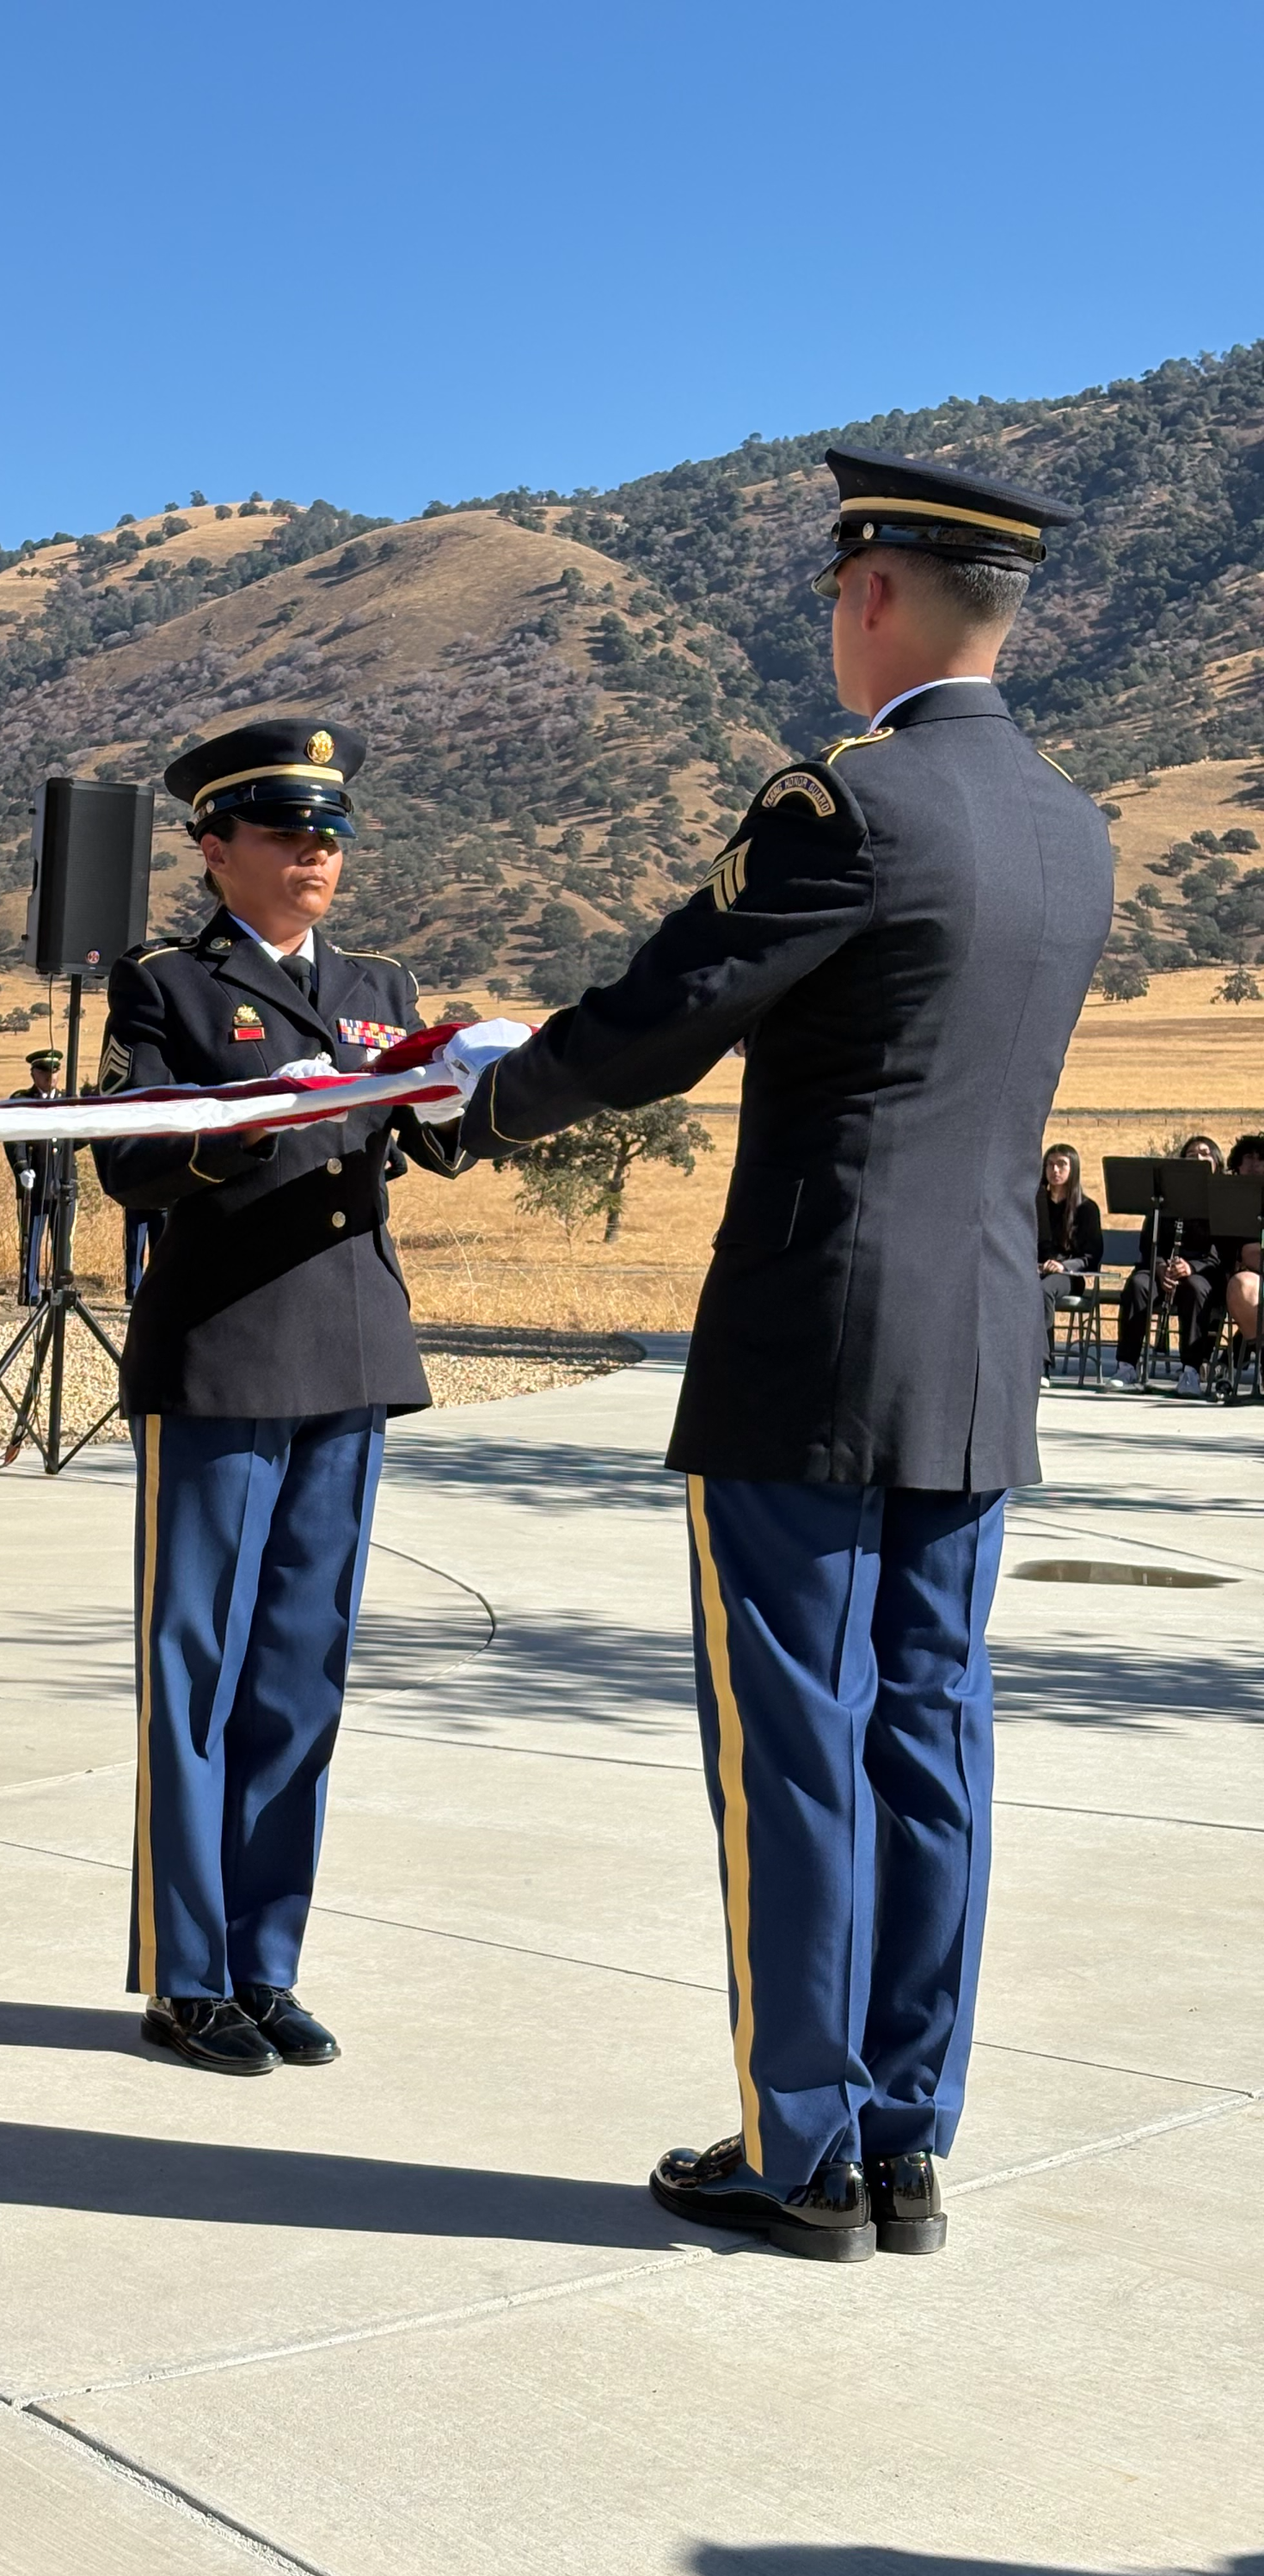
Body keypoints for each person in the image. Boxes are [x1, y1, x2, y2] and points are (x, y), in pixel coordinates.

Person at [451, 446, 1112, 2259]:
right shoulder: (1073, 822)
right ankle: (906, 2140)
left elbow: (666, 1021)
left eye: (837, 589)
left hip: (813, 1348)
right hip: (978, 1349)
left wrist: (479, 1105)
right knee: (934, 1739)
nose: (833, 616)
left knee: (796, 1746)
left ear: (880, 592)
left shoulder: (850, 805)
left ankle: (797, 2149)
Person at [93, 717, 462, 2075]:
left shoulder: (380, 983)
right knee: (198, 1668)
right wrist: (261, 1113)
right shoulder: (171, 990)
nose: (319, 853)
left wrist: (476, 1073)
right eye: (288, 832)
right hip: (226, 1349)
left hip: (353, 1356)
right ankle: (187, 1975)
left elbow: (441, 1140)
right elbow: (131, 1168)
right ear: (214, 848)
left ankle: (267, 1959)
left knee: (301, 1676)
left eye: (332, 834)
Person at [1108, 1133, 1223, 1396]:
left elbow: (1220, 1255)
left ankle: (1191, 1371)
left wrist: (1190, 1267)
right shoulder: (1163, 1199)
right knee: (1138, 1284)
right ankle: (1127, 1366)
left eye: (1205, 1153)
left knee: (1195, 1289)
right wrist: (1160, 1267)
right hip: (1161, 1269)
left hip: (1202, 1271)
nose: (1198, 1158)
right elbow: (1149, 1242)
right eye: (1191, 1155)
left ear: (1217, 1161)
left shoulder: (1220, 1199)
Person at [3, 1048, 64, 1302]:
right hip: (34, 1183)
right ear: (33, 1074)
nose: (50, 1077)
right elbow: (13, 1138)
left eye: (55, 1072)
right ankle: (30, 1291)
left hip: (61, 1181)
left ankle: (61, 1291)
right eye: (44, 1072)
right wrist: (21, 1168)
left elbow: (81, 1138)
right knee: (31, 1241)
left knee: (62, 1244)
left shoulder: (68, 1099)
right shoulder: (21, 1100)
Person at [1037, 1142, 1102, 1376]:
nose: (1055, 1170)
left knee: (1043, 1290)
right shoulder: (1035, 1205)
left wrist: (1063, 1266)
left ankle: (1041, 1364)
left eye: (1061, 1164)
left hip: (1070, 1277)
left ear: (1073, 1169)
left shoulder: (1087, 1208)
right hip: (1037, 1271)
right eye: (1050, 1164)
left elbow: (1091, 1257)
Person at [1222, 1133, 1264, 1353]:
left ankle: (1234, 1356)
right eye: (1249, 1157)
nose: (1255, 1164)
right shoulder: (1225, 1198)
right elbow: (1248, 1253)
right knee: (1245, 1287)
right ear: (1237, 1163)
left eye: (1261, 1158)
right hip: (1239, 1276)